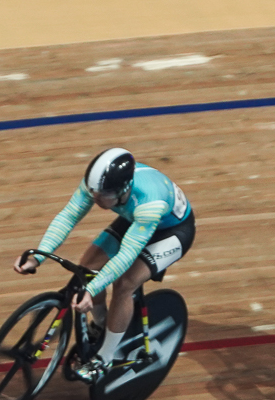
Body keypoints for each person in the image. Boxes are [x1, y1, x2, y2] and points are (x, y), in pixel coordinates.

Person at [14, 147, 194, 379]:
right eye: (93, 192)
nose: (95, 198)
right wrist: (37, 257)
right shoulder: (97, 184)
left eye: (102, 195)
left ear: (123, 190)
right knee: (86, 267)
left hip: (171, 231)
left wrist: (93, 289)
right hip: (134, 219)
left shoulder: (149, 202)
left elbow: (127, 254)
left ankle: (105, 358)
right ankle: (102, 323)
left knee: (125, 283)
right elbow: (68, 216)